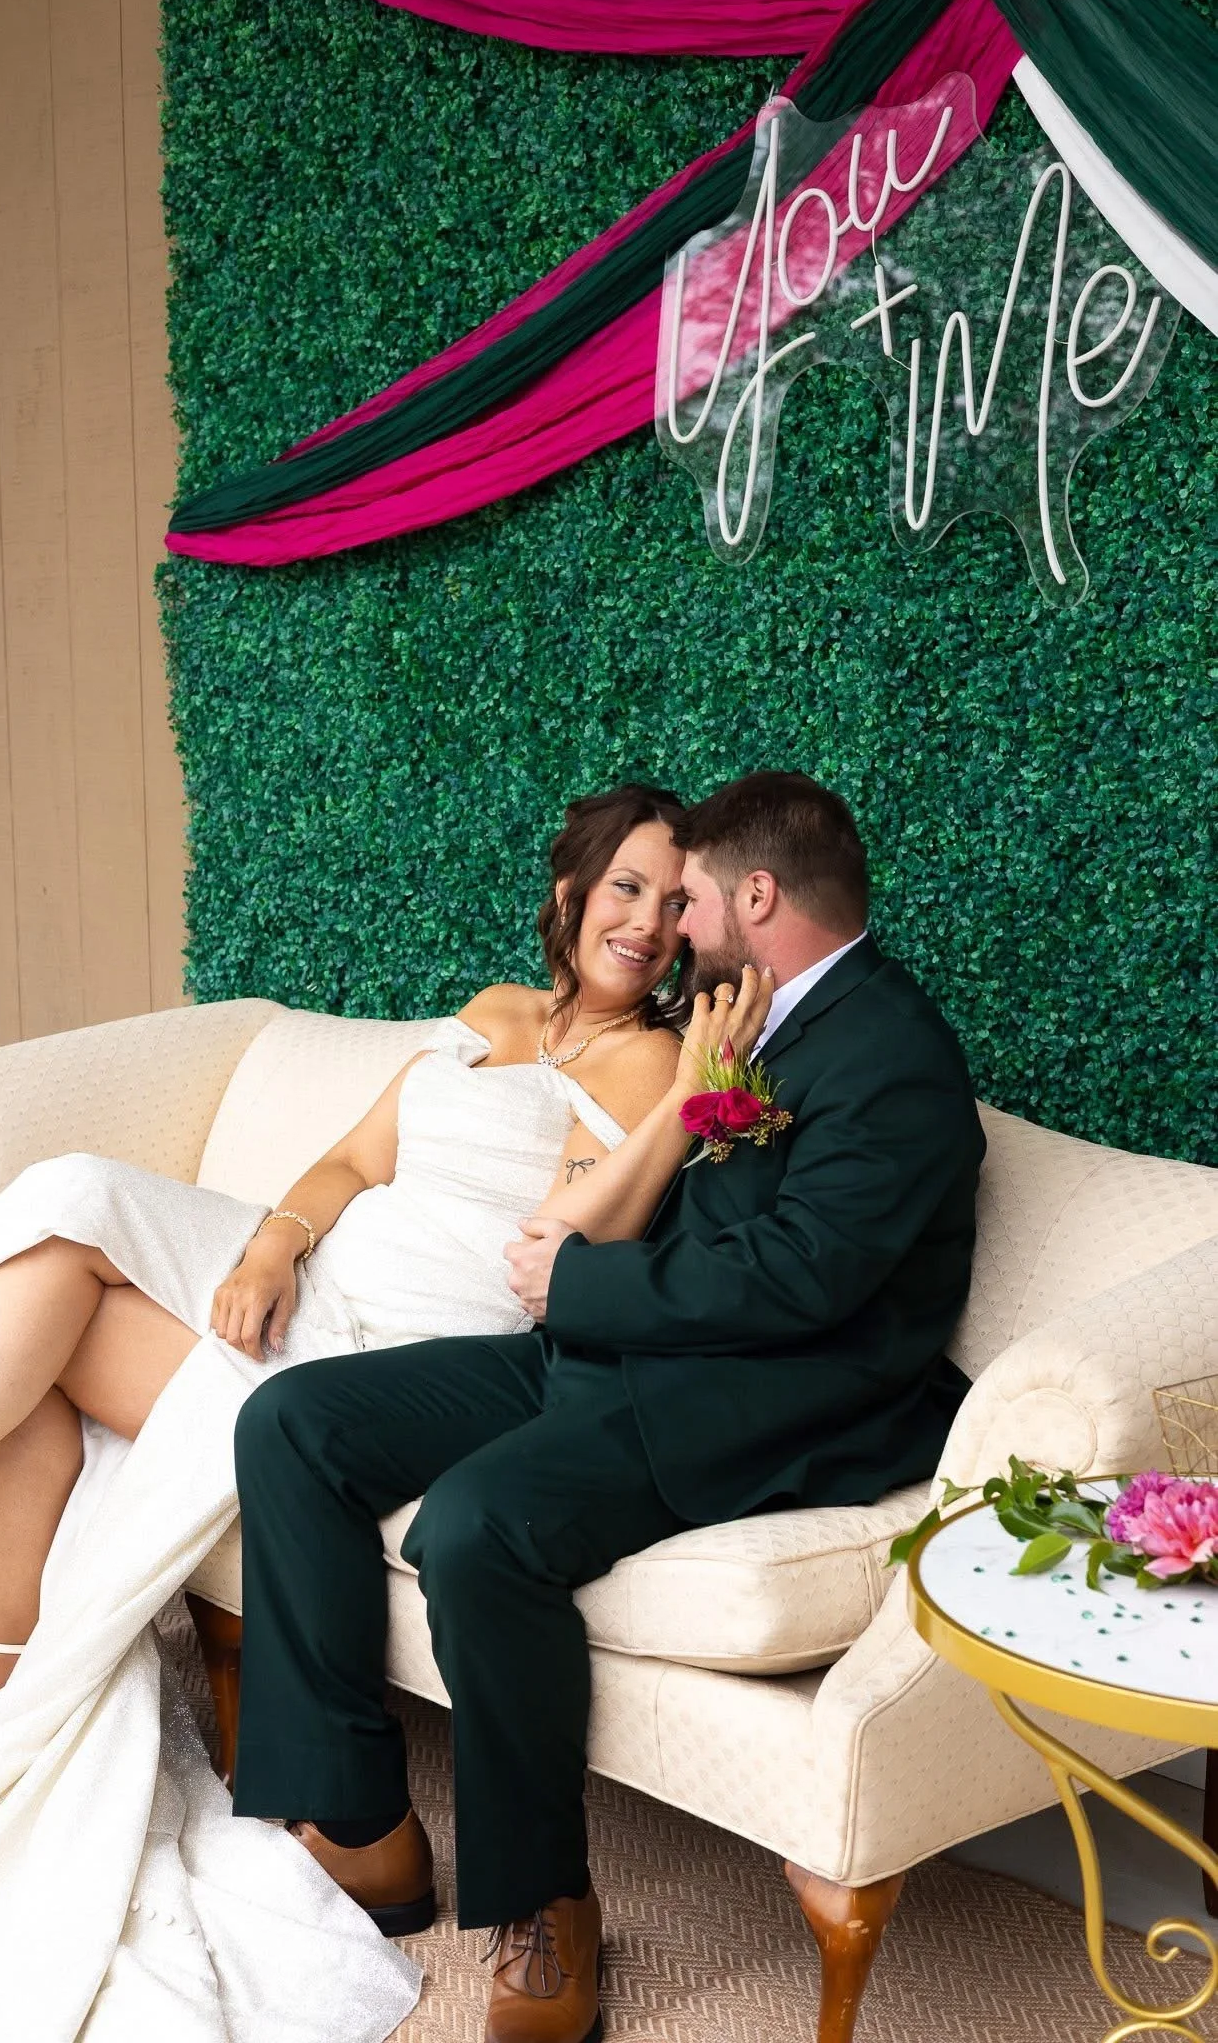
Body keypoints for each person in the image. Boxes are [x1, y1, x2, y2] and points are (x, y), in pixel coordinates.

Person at [0, 782, 694, 2043]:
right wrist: (273, 1244)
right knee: (60, 1205)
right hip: (309, 1279)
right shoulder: (490, 1015)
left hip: (399, 1344)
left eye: (677, 903)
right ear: (574, 891)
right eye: (630, 885)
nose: (648, 920)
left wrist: (683, 1108)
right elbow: (355, 1161)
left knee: (43, 1314)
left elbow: (580, 1239)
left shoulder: (659, 1062)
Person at [232, 768, 987, 2043]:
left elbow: (803, 1274)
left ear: (755, 893)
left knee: (478, 1525)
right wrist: (595, 1256)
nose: (674, 926)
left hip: (759, 1400)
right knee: (296, 1420)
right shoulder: (744, 1009)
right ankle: (363, 1823)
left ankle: (546, 1905)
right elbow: (687, 1181)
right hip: (619, 1348)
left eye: (689, 897)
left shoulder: (896, 1055)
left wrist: (585, 1281)